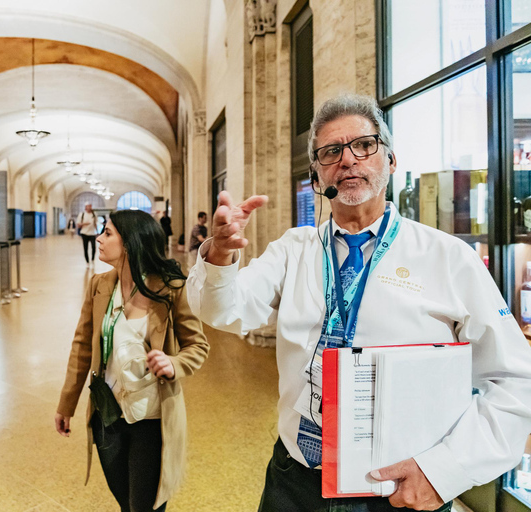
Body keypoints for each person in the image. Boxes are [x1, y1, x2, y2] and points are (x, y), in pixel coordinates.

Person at [187, 94, 531, 511]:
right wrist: (221, 255)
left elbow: (515, 380)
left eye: (364, 145)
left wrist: (444, 471)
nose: (348, 160)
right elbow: (224, 311)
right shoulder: (294, 250)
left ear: (389, 161)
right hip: (296, 482)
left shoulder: (447, 257)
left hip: (399, 490)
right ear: (316, 176)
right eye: (331, 152)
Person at [55, 209, 209, 511]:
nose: (99, 238)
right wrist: (66, 403)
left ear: (130, 243)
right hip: (107, 414)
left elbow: (197, 345)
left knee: (145, 505)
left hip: (150, 418)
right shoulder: (99, 285)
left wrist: (173, 364)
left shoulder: (172, 288)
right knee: (125, 500)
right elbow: (82, 346)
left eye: (108, 233)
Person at [77, 203, 98, 268]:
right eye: (88, 206)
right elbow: (78, 225)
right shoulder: (82, 214)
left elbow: (95, 224)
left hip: (92, 233)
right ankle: (87, 262)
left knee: (94, 247)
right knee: (85, 248)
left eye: (90, 206)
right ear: (85, 207)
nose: (89, 207)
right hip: (84, 233)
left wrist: (97, 232)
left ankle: (92, 259)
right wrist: (84, 223)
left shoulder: (94, 214)